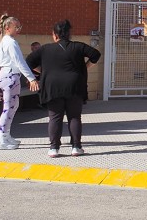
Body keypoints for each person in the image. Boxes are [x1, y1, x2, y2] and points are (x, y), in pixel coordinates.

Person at [26, 19, 101, 158]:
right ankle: (76, 147)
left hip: (53, 87)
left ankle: (54, 148)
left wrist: (43, 71)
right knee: (74, 116)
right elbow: (96, 55)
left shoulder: (45, 49)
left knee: (55, 117)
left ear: (55, 35)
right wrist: (85, 67)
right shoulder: (78, 46)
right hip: (74, 85)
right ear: (68, 34)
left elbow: (28, 61)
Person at [0, 14, 39, 150]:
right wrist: (31, 78)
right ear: (8, 28)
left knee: (12, 106)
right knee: (8, 108)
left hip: (7, 75)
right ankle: (2, 139)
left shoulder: (3, 40)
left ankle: (6, 135)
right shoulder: (10, 42)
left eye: (20, 26)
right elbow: (19, 61)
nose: (19, 29)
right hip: (10, 76)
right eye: (16, 26)